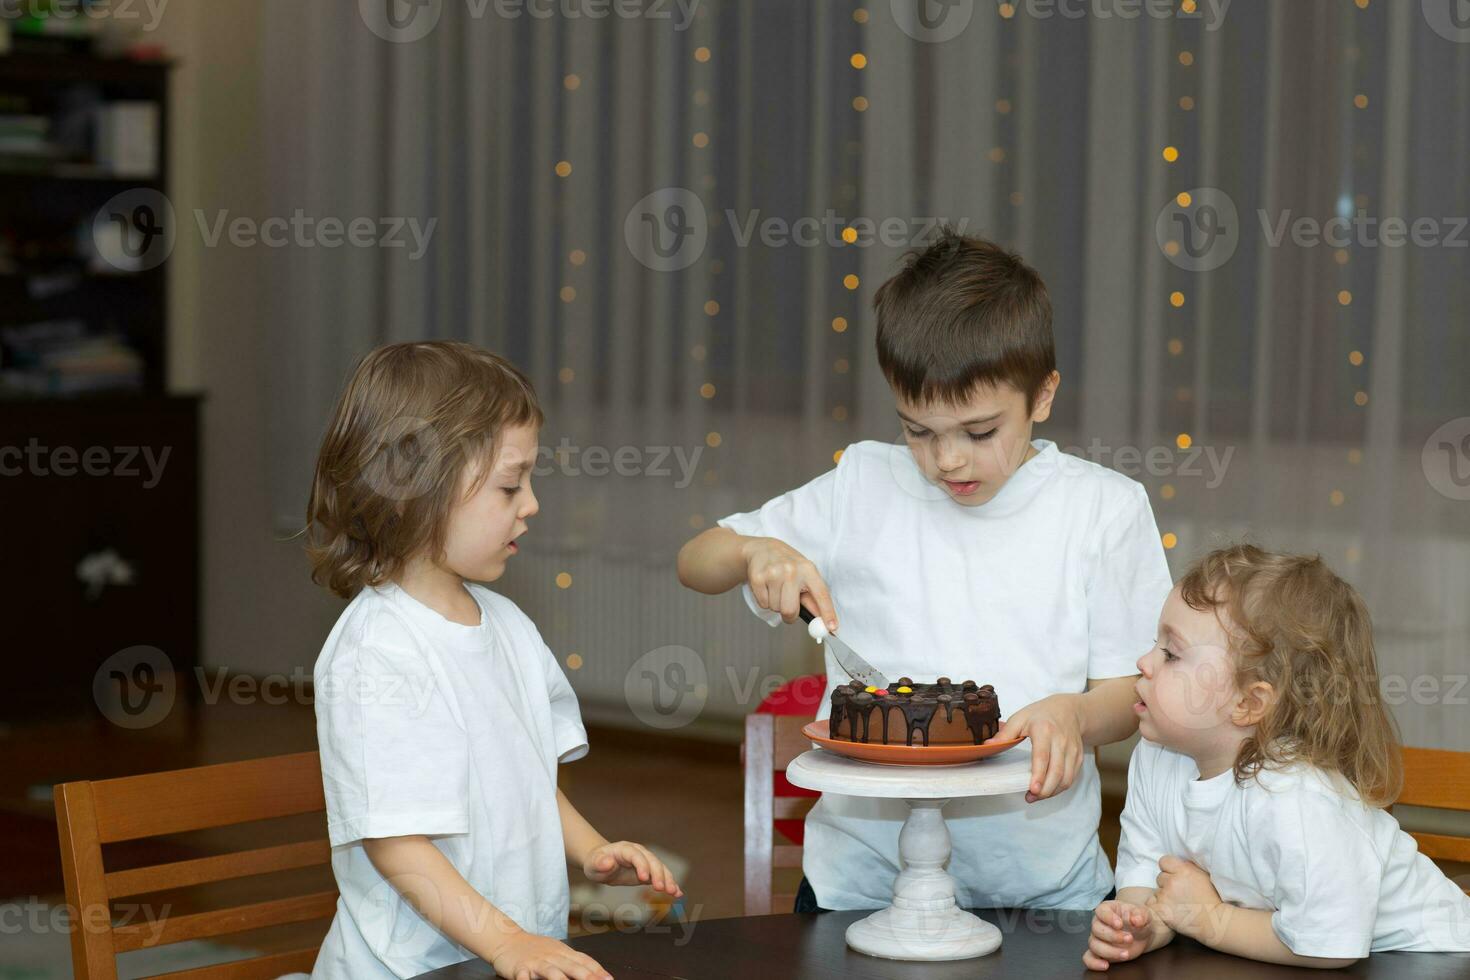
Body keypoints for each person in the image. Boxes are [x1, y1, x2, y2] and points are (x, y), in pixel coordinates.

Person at [678, 230, 1172, 911]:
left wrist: (1076, 714)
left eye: (979, 431)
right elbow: (695, 561)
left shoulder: (1104, 510)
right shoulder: (862, 484)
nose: (947, 461)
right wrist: (752, 552)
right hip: (861, 881)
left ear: (1044, 394)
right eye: (918, 430)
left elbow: (1132, 692)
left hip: (1039, 888)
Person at [306, 341, 681, 980]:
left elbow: (533, 779)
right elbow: (394, 843)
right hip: (406, 970)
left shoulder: (507, 626)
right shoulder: (376, 653)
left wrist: (591, 849)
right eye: (511, 483)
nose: (531, 503)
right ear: (413, 490)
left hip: (503, 957)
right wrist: (506, 941)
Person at [1086, 544, 1470, 970]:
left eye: (1171, 653)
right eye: (1153, 643)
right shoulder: (1157, 756)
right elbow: (1146, 864)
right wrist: (1143, 920)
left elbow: (1327, 945)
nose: (1143, 662)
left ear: (1250, 704)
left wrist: (1210, 920)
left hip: (1432, 958)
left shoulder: (1298, 798)